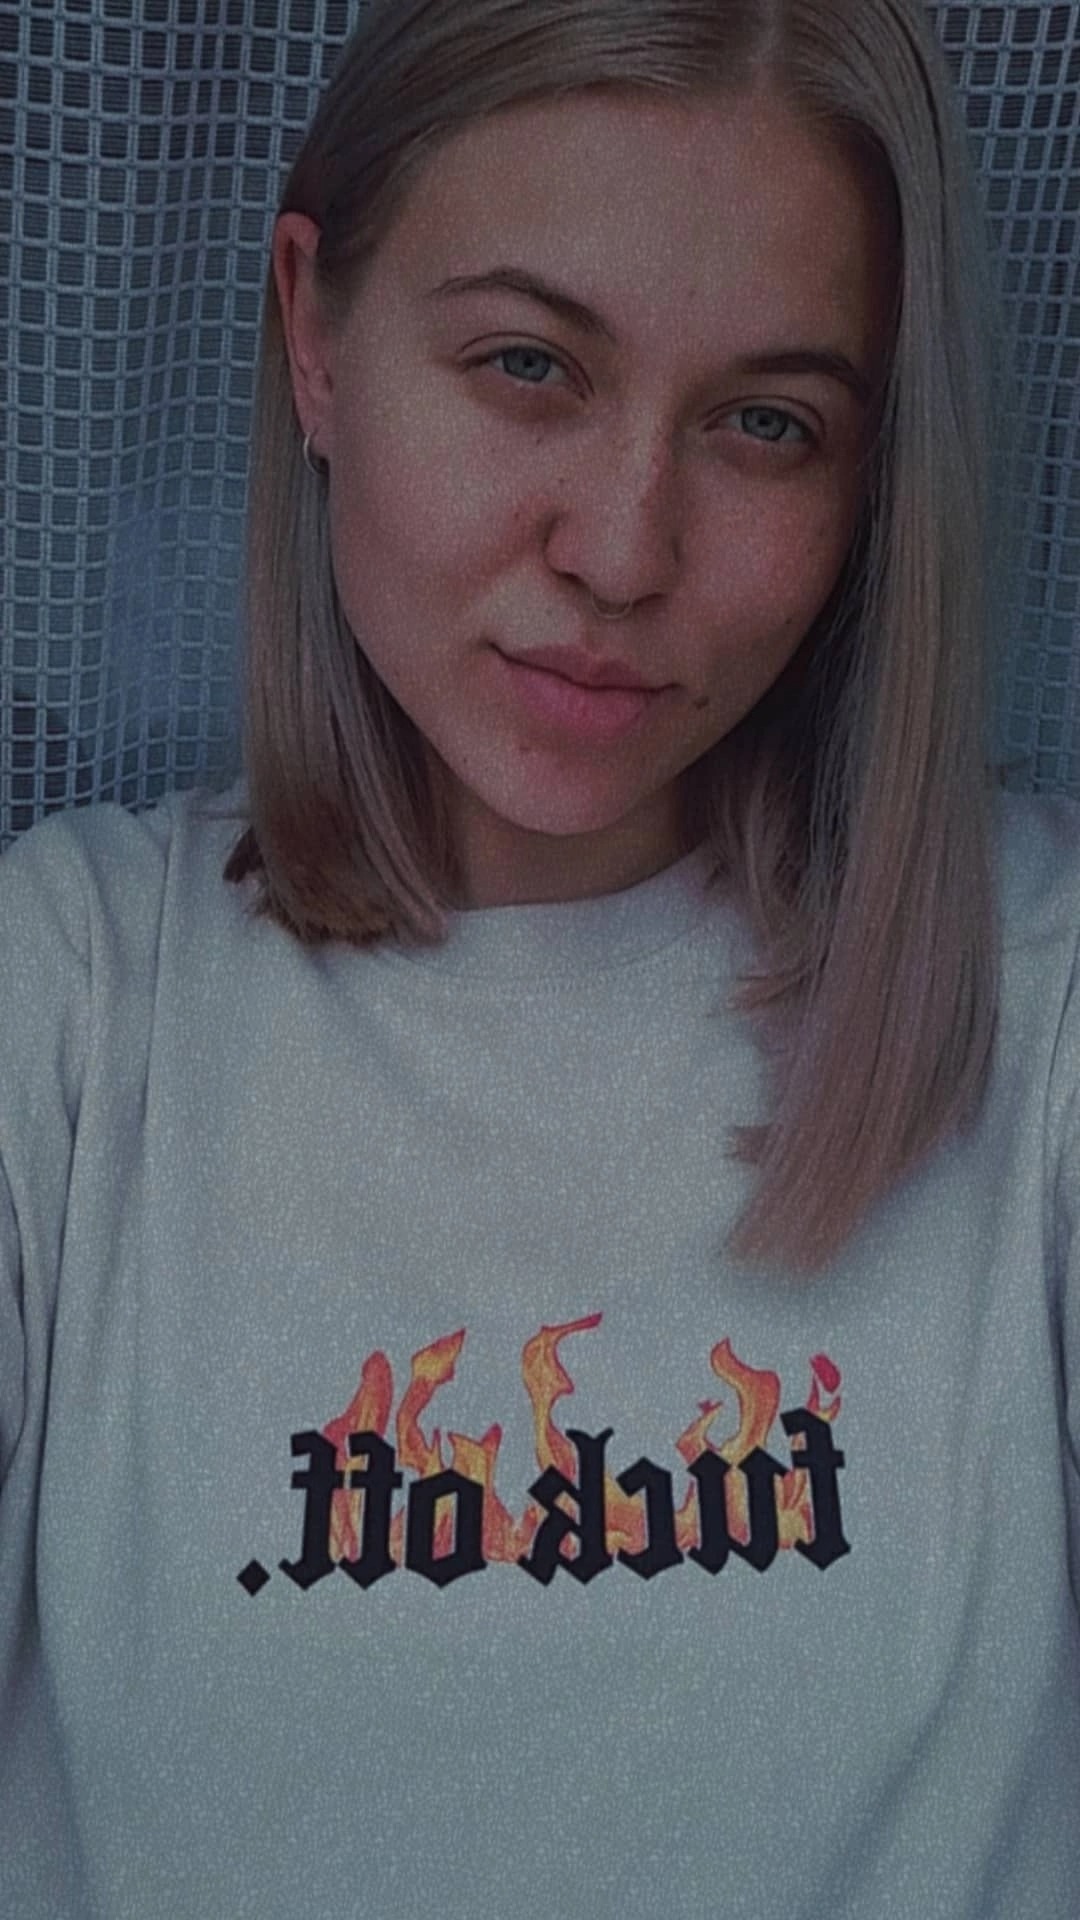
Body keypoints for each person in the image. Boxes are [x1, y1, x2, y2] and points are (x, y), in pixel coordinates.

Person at [1, 1, 1076, 1915]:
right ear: (316, 336)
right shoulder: (69, 1001)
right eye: (528, 365)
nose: (623, 550)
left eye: (766, 424)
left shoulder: (1044, 993)